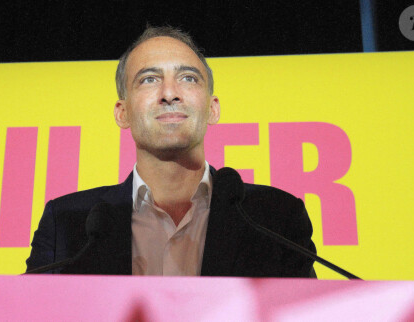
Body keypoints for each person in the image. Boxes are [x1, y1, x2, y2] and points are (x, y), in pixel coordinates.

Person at [26, 26, 316, 277]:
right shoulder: (66, 221)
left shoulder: (275, 218)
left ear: (213, 108)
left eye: (188, 78)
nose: (169, 93)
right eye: (149, 79)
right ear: (122, 112)